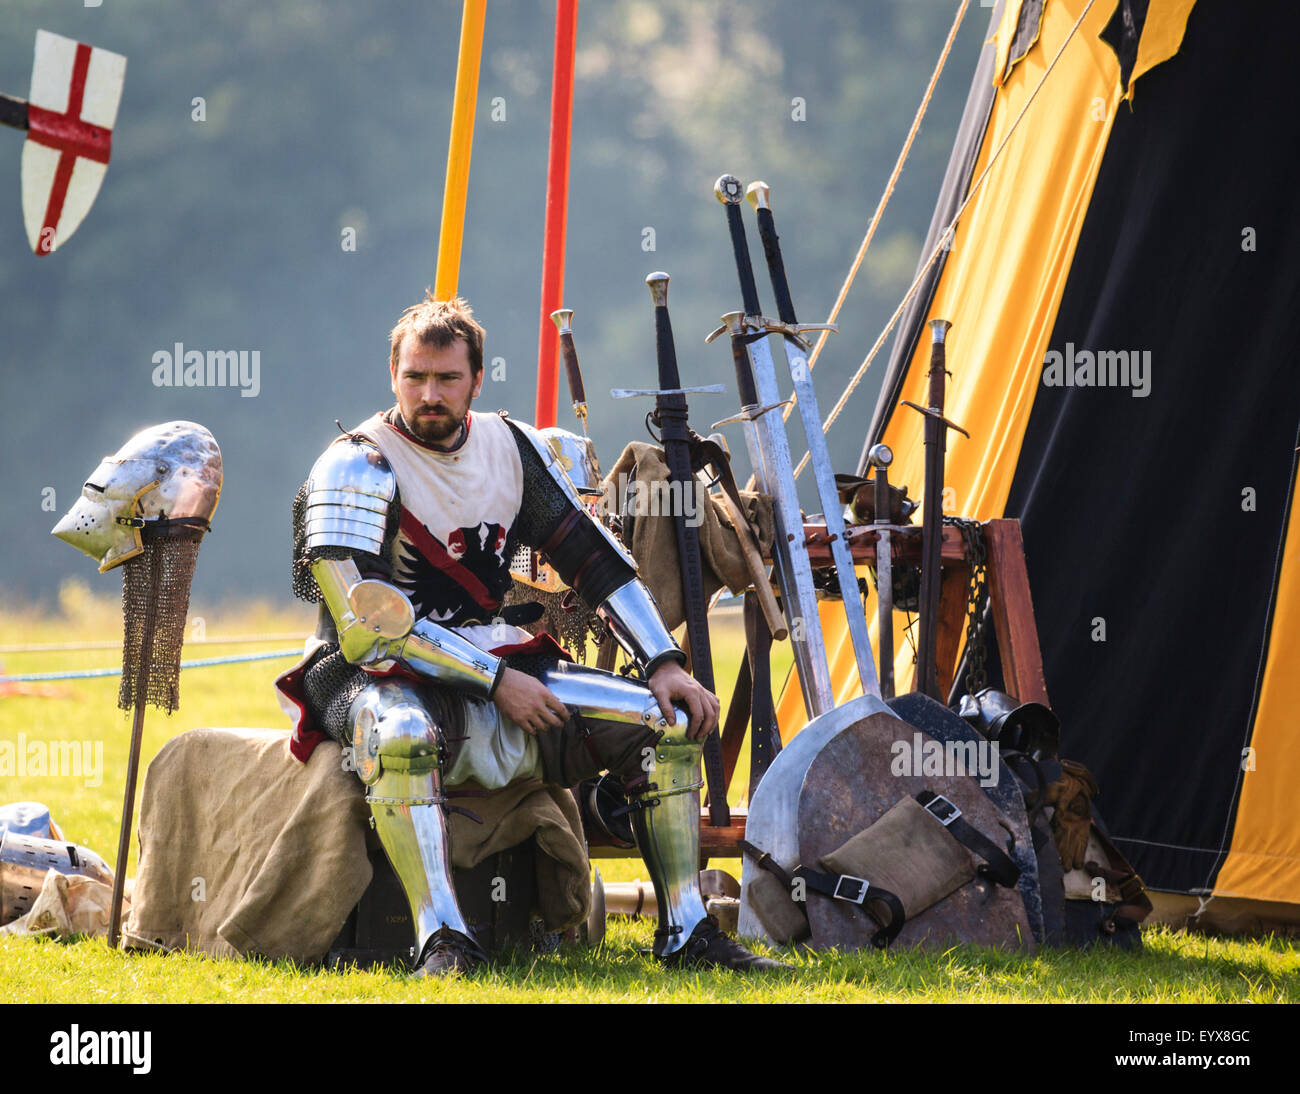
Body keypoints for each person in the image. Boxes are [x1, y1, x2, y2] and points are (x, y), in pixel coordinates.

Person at [276, 291, 782, 976]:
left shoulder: (509, 447)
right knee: (400, 738)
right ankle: (444, 940)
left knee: (664, 720)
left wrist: (663, 661)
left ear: (475, 380)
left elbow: (594, 560)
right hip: (373, 671)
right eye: (415, 377)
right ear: (394, 376)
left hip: (497, 650)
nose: (429, 393)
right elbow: (366, 628)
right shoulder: (355, 466)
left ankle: (688, 931)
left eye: (446, 379)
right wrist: (495, 681)